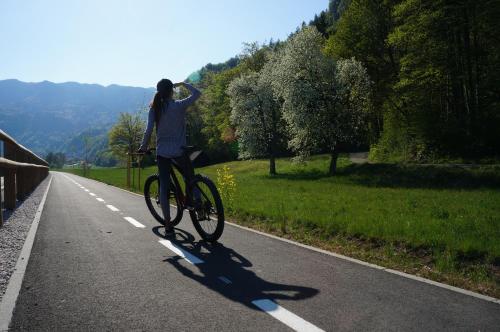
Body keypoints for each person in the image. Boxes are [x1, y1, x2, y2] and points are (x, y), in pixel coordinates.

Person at [138, 78, 201, 236]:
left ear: (159, 92)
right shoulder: (179, 105)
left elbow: (148, 131)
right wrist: (184, 85)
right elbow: (197, 93)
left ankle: (168, 225)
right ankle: (198, 205)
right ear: (172, 91)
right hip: (181, 150)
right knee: (190, 177)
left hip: (164, 153)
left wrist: (143, 147)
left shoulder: (155, 109)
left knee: (164, 188)